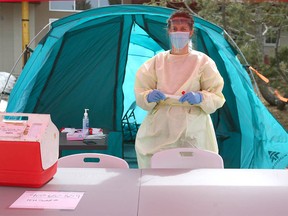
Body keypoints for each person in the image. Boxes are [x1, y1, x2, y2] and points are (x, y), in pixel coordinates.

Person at [134, 10, 226, 168]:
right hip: (161, 127)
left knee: (193, 172)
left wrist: (200, 98)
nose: (178, 33)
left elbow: (217, 96)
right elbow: (141, 92)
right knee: (157, 170)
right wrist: (148, 96)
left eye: (183, 29)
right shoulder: (156, 62)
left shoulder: (202, 62)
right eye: (174, 29)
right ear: (169, 31)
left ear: (191, 32)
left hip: (193, 126)